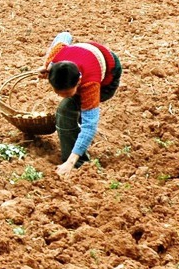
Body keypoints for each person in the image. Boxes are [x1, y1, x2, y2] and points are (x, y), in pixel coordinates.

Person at [40, 33, 123, 179]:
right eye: (58, 92)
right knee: (68, 109)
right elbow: (65, 35)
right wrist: (45, 66)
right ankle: (75, 144)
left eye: (66, 92)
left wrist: (70, 162)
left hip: (109, 76)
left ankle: (77, 164)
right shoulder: (53, 59)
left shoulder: (90, 84)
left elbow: (90, 126)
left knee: (65, 111)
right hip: (85, 58)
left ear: (78, 82)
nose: (61, 96)